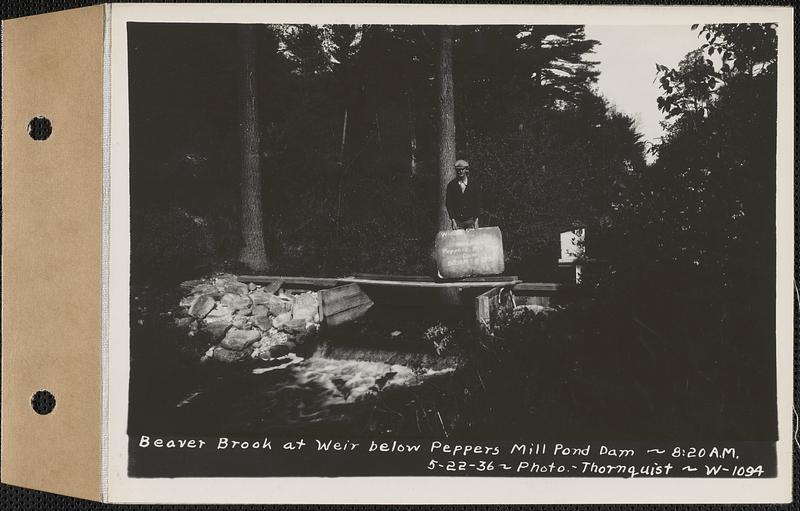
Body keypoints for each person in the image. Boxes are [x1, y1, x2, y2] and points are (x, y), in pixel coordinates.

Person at [445, 159, 481, 230]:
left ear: (466, 170)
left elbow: (478, 202)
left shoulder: (473, 184)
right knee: (458, 241)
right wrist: (453, 221)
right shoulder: (451, 185)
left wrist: (476, 220)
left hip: (471, 220)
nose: (460, 171)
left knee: (472, 240)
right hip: (458, 222)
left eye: (462, 169)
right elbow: (449, 204)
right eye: (458, 170)